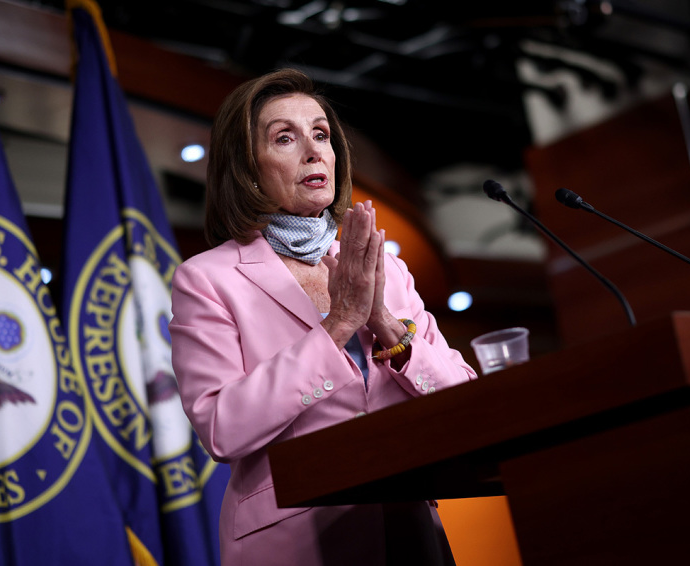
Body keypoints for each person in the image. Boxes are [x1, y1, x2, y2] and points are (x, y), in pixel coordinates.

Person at [169, 68, 477, 566]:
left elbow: (463, 397)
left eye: (321, 134)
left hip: (407, 527)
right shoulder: (207, 279)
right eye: (285, 138)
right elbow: (222, 427)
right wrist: (336, 326)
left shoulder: (385, 266)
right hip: (293, 538)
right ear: (247, 166)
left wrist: (384, 324)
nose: (314, 151)